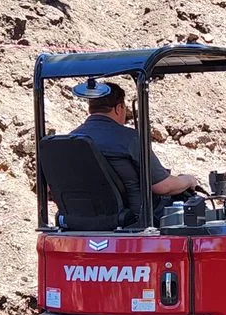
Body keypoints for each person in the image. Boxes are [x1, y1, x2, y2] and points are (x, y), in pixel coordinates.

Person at [71, 82, 198, 219]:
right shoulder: (129, 139)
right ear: (119, 108)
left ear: (91, 108)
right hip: (135, 220)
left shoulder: (69, 141)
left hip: (82, 219)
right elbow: (163, 186)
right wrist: (188, 180)